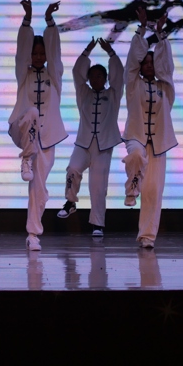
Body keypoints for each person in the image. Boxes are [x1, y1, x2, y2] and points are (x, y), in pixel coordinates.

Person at [9, 0, 66, 251]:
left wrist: (50, 21)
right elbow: (21, 53)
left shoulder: (54, 76)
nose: (39, 56)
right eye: (35, 52)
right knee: (32, 111)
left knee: (39, 187)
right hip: (23, 130)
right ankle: (26, 157)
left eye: (42, 52)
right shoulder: (24, 74)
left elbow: (56, 54)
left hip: (48, 136)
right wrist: (28, 19)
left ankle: (33, 234)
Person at [56, 36, 124, 238]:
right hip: (83, 143)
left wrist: (111, 52)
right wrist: (87, 51)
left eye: (99, 76)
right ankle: (70, 202)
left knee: (98, 186)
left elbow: (119, 74)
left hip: (104, 146)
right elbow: (77, 72)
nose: (95, 79)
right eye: (92, 76)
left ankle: (98, 224)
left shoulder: (113, 94)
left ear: (105, 78)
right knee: (73, 169)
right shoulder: (83, 92)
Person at [122, 6, 177, 248]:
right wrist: (143, 29)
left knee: (154, 191)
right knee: (135, 155)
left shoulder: (165, 88)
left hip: (158, 143)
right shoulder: (133, 84)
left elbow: (167, 65)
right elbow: (131, 62)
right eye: (144, 62)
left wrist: (161, 34)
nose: (148, 65)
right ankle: (131, 187)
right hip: (136, 136)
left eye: (152, 62)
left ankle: (147, 236)